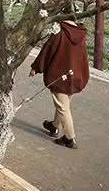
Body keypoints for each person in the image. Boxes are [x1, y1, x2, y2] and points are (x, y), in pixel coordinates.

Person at [30, 20, 89, 149]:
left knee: (63, 107)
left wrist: (36, 67)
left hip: (60, 75)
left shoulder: (59, 31)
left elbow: (47, 50)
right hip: (75, 76)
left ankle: (69, 138)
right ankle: (54, 125)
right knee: (64, 104)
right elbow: (83, 57)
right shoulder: (80, 33)